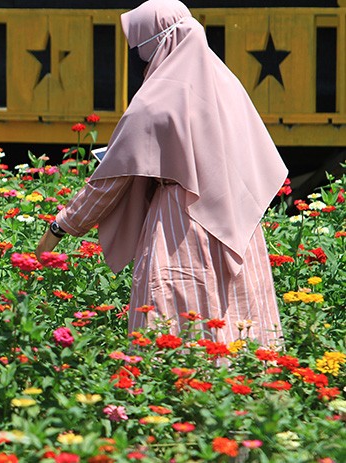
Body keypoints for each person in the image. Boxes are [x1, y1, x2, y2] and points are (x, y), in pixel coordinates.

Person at [35, 0, 287, 348]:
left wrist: (60, 227)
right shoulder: (227, 85)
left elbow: (109, 182)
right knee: (238, 325)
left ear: (159, 43)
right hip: (237, 225)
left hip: (180, 225)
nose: (141, 59)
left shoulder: (154, 101)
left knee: (172, 327)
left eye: (140, 49)